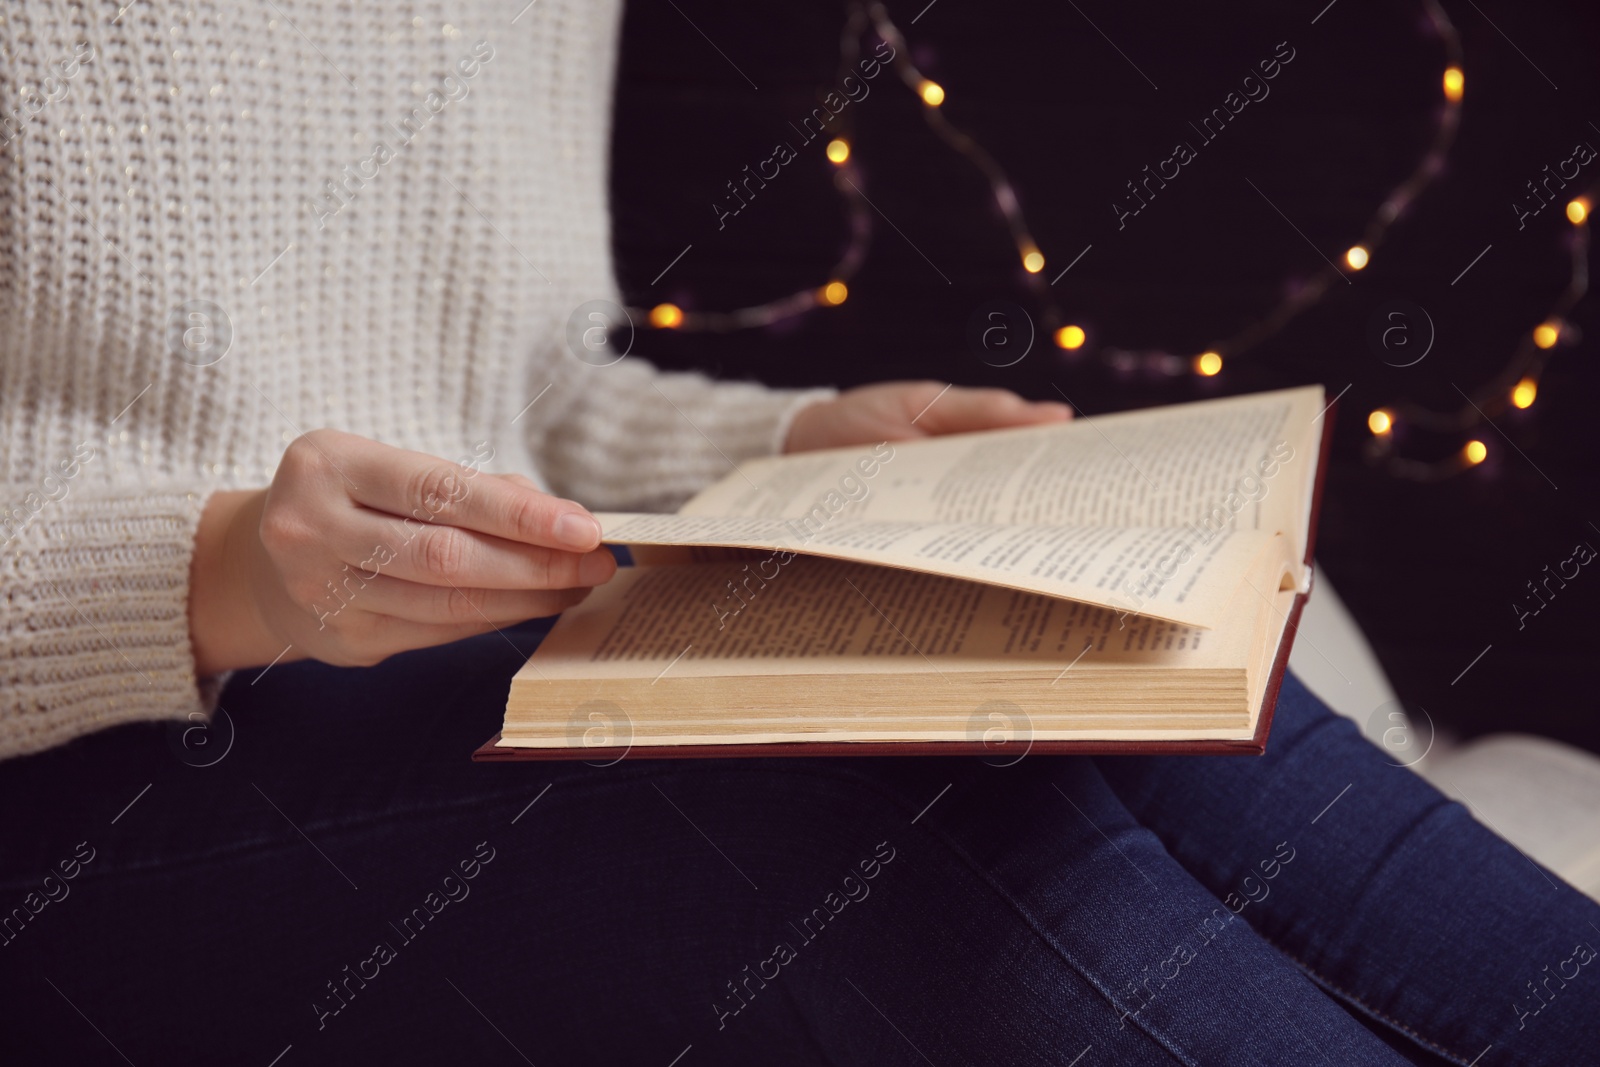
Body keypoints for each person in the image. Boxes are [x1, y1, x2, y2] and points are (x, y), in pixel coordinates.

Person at [0, 3, 1594, 1064]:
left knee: (1114, 646)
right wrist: (206, 570)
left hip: (436, 657)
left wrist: (777, 450)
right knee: (854, 827)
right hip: (80, 786)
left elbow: (525, 376)